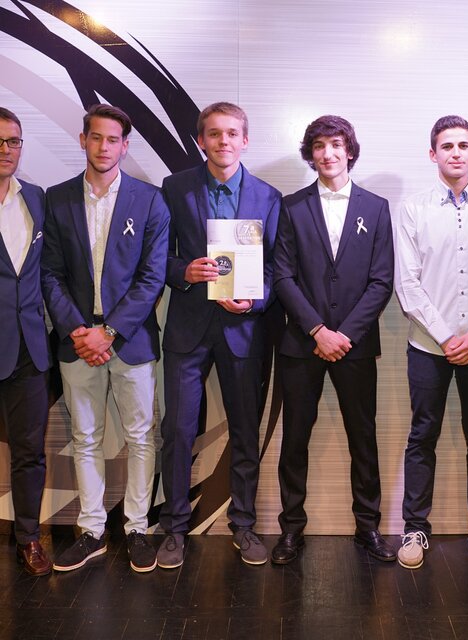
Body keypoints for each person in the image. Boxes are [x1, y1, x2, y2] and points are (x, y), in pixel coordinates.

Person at [41, 104, 169, 573]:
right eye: (95, 137)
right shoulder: (57, 198)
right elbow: (50, 273)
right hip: (76, 339)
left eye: (113, 139)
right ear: (83, 140)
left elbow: (152, 277)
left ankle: (137, 528)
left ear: (124, 146)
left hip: (130, 339)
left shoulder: (150, 200)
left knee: (141, 436)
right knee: (85, 436)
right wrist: (80, 331)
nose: (103, 146)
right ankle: (92, 530)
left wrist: (110, 332)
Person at [158, 102, 281, 568]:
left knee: (245, 432)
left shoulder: (268, 196)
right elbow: (157, 256)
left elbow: (277, 268)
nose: (223, 141)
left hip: (243, 331)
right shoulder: (175, 187)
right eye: (213, 133)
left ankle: (243, 525)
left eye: (231, 133)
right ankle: (174, 528)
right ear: (201, 141)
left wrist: (255, 299)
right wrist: (184, 272)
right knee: (177, 431)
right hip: (188, 329)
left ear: (244, 140)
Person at [271, 114, 395, 565]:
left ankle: (368, 527)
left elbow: (381, 282)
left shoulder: (376, 207)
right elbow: (282, 276)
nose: (328, 153)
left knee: (363, 438)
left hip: (355, 346)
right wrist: (318, 330)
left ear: (349, 150)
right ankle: (291, 530)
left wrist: (344, 334)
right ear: (311, 153)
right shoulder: (291, 206)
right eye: (320, 146)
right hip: (302, 344)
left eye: (336, 144)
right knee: (294, 440)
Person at [394, 115, 468, 570]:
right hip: (429, 347)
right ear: (433, 154)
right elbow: (407, 284)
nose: (456, 152)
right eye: (447, 146)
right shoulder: (413, 209)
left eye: (463, 145)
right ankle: (415, 527)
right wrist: (447, 337)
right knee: (422, 435)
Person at [0, 108, 52, 576]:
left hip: (29, 350)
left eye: (13, 141)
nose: (6, 149)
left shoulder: (35, 198)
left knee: (29, 452)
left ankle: (29, 538)